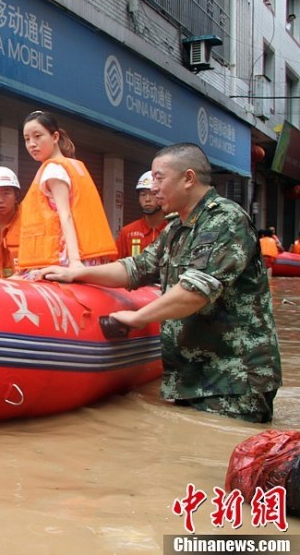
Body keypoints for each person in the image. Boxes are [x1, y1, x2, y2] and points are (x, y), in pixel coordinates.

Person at [39, 143, 281, 423]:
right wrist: (78, 273)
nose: (152, 187)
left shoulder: (225, 220)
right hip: (193, 376)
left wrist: (138, 317)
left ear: (188, 178)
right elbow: (136, 268)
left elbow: (196, 292)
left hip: (235, 380)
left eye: (158, 178)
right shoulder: (177, 228)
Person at [18, 110, 117, 277]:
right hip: (85, 256)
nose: (31, 144)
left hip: (64, 259)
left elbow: (66, 216)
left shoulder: (53, 169)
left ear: (55, 137)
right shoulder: (73, 166)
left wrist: (75, 262)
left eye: (37, 136)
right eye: (27, 139)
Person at [116, 171, 168, 258]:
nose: (147, 199)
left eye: (152, 194)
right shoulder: (127, 232)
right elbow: (115, 265)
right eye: (143, 194)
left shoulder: (173, 229)